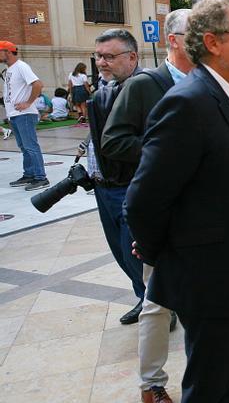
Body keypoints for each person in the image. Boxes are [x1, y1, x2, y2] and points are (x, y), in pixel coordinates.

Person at [126, 0, 229, 402]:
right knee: (210, 385)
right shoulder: (188, 103)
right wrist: (176, 257)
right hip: (210, 275)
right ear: (212, 42)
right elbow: (143, 200)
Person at [101, 9, 192, 403]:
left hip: (202, 209)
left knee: (207, 295)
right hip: (161, 209)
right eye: (198, 32)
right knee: (157, 300)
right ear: (173, 39)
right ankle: (152, 384)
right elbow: (113, 142)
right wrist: (163, 152)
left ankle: (219, 359)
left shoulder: (214, 82)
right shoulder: (144, 85)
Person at [87, 29, 147, 324]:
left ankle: (157, 304)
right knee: (120, 252)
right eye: (98, 56)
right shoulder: (104, 89)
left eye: (109, 56)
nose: (101, 62)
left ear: (132, 57)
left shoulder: (146, 89)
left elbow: (153, 141)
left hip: (131, 186)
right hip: (104, 186)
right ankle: (144, 298)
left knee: (133, 250)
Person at [1, 41, 50, 191]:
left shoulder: (21, 66)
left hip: (25, 114)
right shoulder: (9, 69)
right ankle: (29, 174)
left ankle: (41, 178)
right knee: (24, 147)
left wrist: (28, 102)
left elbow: (38, 84)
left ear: (7, 52)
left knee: (30, 146)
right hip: (15, 114)